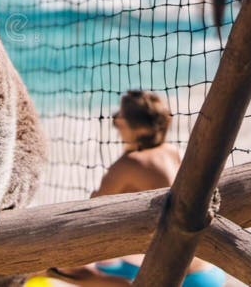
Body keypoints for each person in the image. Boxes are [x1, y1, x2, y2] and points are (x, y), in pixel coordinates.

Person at [47, 91, 226, 287]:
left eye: (119, 116)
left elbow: (90, 213)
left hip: (180, 281)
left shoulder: (130, 163)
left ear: (136, 127)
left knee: (68, 269)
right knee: (113, 261)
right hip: (210, 272)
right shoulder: (172, 151)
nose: (115, 120)